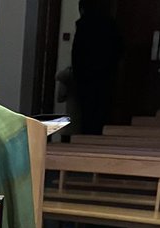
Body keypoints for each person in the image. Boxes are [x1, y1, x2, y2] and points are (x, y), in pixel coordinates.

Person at [71, 0, 122, 136]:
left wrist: (77, 77)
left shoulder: (83, 26)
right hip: (105, 77)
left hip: (86, 79)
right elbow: (118, 51)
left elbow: (77, 55)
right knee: (101, 114)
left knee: (87, 115)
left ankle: (86, 138)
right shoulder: (110, 25)